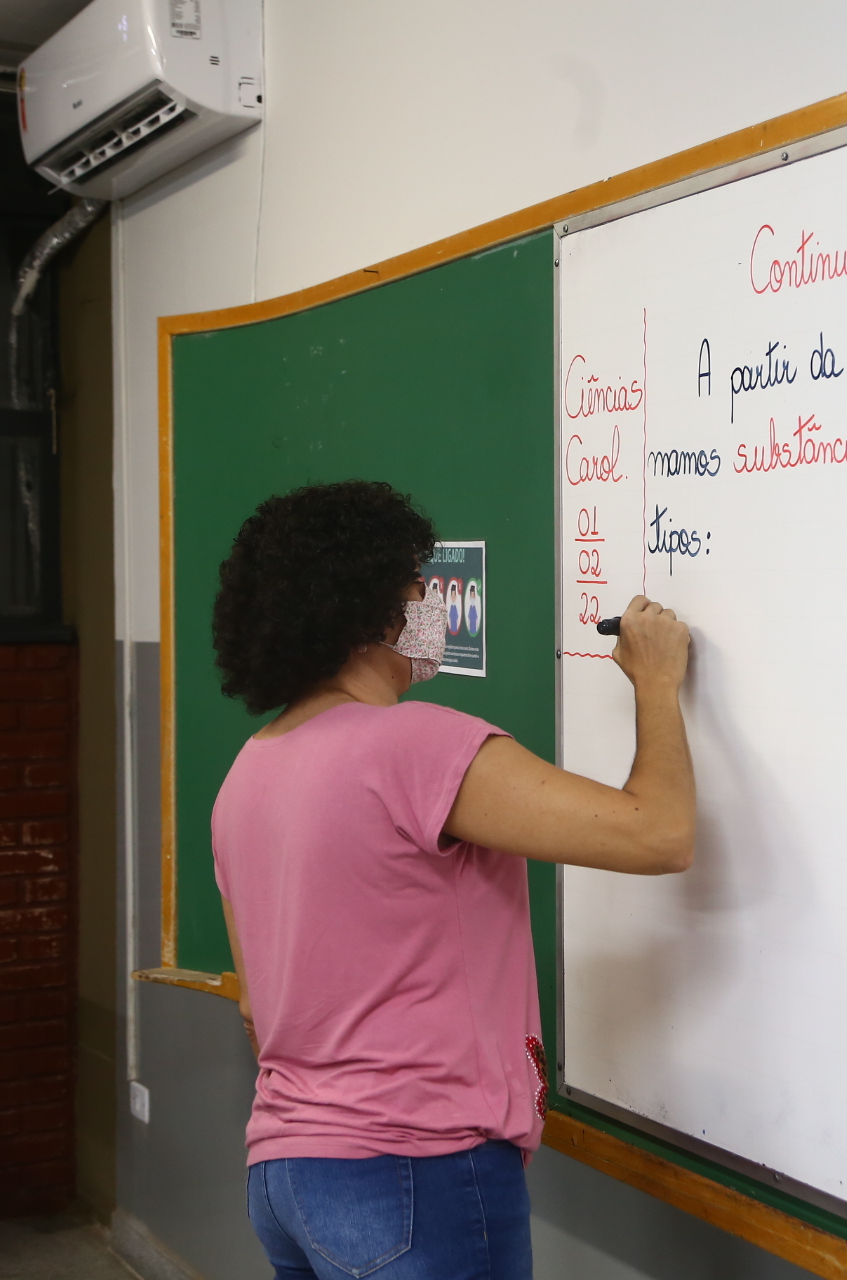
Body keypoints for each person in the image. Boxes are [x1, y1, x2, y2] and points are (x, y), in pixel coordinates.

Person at [208, 479, 693, 1280]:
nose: (432, 608)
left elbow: (260, 1007)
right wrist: (657, 684)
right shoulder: (416, 746)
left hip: (285, 1175)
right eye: (416, 591)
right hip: (413, 1171)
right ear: (373, 617)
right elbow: (659, 833)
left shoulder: (248, 773)